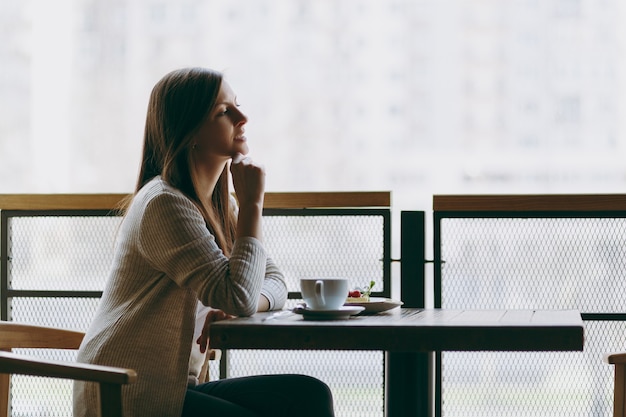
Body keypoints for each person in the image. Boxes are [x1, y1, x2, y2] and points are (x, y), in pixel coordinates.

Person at [73, 67, 335, 417]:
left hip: (174, 386)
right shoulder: (164, 203)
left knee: (308, 396)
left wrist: (241, 302)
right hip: (129, 390)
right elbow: (238, 293)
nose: (243, 117)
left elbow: (274, 283)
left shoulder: (217, 205)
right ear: (190, 131)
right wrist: (253, 206)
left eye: (237, 105)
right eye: (224, 112)